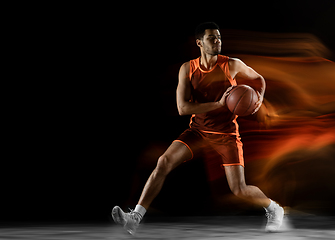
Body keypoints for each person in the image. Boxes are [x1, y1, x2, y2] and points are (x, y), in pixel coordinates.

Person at [112, 22, 284, 235]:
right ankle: (135, 218)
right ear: (199, 43)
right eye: (212, 38)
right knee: (163, 162)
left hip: (226, 134)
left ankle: (274, 209)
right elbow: (183, 108)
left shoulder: (231, 65)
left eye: (219, 37)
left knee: (238, 189)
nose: (217, 41)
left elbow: (259, 79)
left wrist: (258, 100)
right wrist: (219, 104)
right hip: (198, 130)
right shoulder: (188, 69)